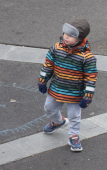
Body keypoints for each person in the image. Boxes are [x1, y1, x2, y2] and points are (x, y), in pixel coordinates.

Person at [38, 19, 97, 153]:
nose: (65, 37)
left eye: (70, 36)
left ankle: (74, 135)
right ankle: (58, 121)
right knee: (49, 108)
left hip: (75, 93)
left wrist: (88, 95)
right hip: (56, 88)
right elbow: (48, 65)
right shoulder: (56, 48)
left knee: (74, 115)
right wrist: (42, 80)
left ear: (79, 39)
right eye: (65, 34)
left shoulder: (87, 57)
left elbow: (91, 77)